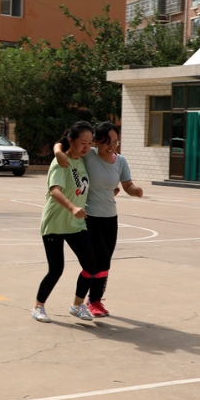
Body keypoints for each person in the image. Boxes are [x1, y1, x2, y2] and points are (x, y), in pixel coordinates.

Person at [53, 121, 143, 317]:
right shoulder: (89, 155)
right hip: (90, 216)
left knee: (105, 261)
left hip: (110, 218)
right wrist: (58, 152)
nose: (112, 147)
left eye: (115, 142)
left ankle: (94, 301)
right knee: (100, 261)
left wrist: (135, 190)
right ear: (97, 142)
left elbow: (127, 185)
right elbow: (65, 141)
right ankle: (87, 302)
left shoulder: (120, 161)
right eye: (107, 142)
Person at [32, 121, 99, 323]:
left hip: (76, 225)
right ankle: (38, 306)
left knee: (91, 266)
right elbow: (55, 191)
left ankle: (77, 306)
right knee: (56, 269)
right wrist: (72, 208)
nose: (86, 147)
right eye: (82, 142)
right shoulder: (60, 162)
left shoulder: (83, 160)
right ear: (71, 141)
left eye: (89, 143)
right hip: (55, 223)